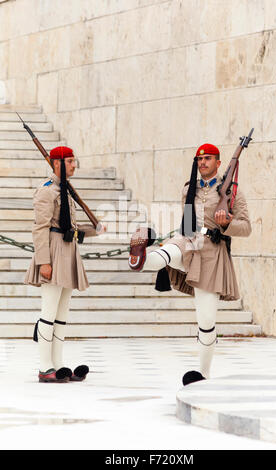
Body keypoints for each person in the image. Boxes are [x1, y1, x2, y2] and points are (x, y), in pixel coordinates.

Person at [128, 143, 251, 385]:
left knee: (206, 321)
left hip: (212, 253)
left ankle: (203, 373)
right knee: (168, 252)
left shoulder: (232, 193)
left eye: (208, 159)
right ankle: (140, 256)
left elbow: (246, 228)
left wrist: (227, 223)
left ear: (218, 162)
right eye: (199, 159)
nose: (202, 162)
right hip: (187, 239)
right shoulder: (189, 189)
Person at [25, 146, 106, 383]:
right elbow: (40, 228)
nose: (74, 165)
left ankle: (58, 364)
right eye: (70, 161)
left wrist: (94, 231)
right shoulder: (47, 191)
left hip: (68, 252)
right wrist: (43, 262)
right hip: (52, 252)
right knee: (48, 313)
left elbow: (71, 227)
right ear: (57, 164)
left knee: (61, 315)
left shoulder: (66, 190)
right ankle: (44, 366)